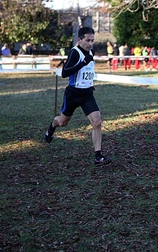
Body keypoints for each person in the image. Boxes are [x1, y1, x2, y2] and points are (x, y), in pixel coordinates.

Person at [44, 27, 111, 166]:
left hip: (87, 93)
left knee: (97, 122)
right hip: (73, 94)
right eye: (87, 40)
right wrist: (82, 63)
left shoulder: (90, 52)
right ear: (80, 40)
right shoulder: (75, 53)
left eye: (92, 40)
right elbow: (65, 73)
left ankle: (98, 156)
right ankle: (51, 127)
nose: (90, 44)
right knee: (63, 122)